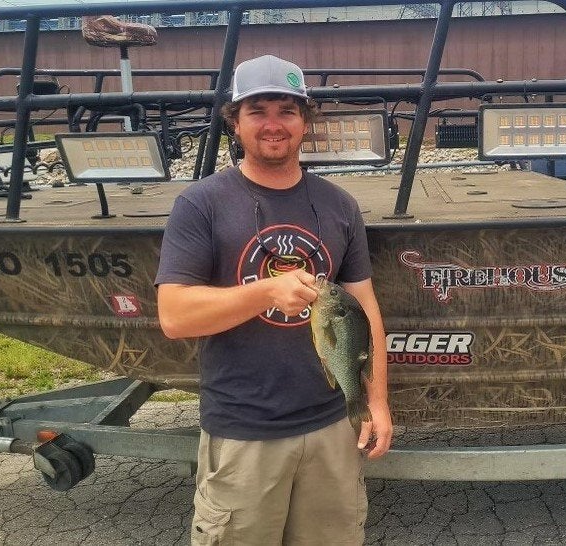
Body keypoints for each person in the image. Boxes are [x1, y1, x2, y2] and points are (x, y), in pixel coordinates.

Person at [155, 54, 392, 545]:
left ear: (306, 121)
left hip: (331, 426)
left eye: (287, 110)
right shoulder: (201, 203)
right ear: (234, 123)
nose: (273, 124)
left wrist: (377, 402)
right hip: (245, 430)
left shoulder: (338, 205)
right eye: (257, 111)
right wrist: (264, 291)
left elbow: (364, 312)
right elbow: (174, 316)